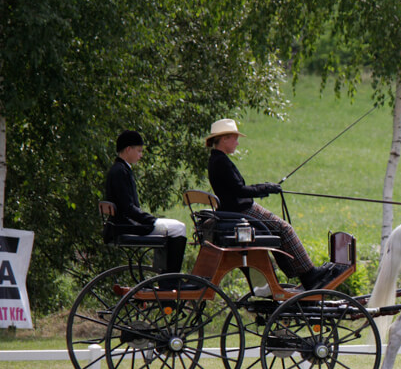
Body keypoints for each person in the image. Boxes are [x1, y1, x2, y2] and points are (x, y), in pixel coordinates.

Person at [206, 118, 344, 291]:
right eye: (235, 138)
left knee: (280, 229)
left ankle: (302, 272)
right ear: (224, 138)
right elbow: (239, 190)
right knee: (284, 228)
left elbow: (237, 188)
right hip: (241, 210)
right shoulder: (221, 162)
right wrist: (266, 188)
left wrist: (265, 187)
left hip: (236, 209)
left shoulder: (216, 159)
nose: (237, 143)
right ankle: (309, 274)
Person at [105, 130, 191, 288]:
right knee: (179, 228)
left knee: (173, 227)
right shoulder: (121, 172)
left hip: (121, 224)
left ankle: (166, 277)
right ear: (128, 149)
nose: (141, 155)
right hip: (127, 225)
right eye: (139, 151)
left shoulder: (118, 169)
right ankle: (171, 280)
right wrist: (151, 220)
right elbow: (128, 208)